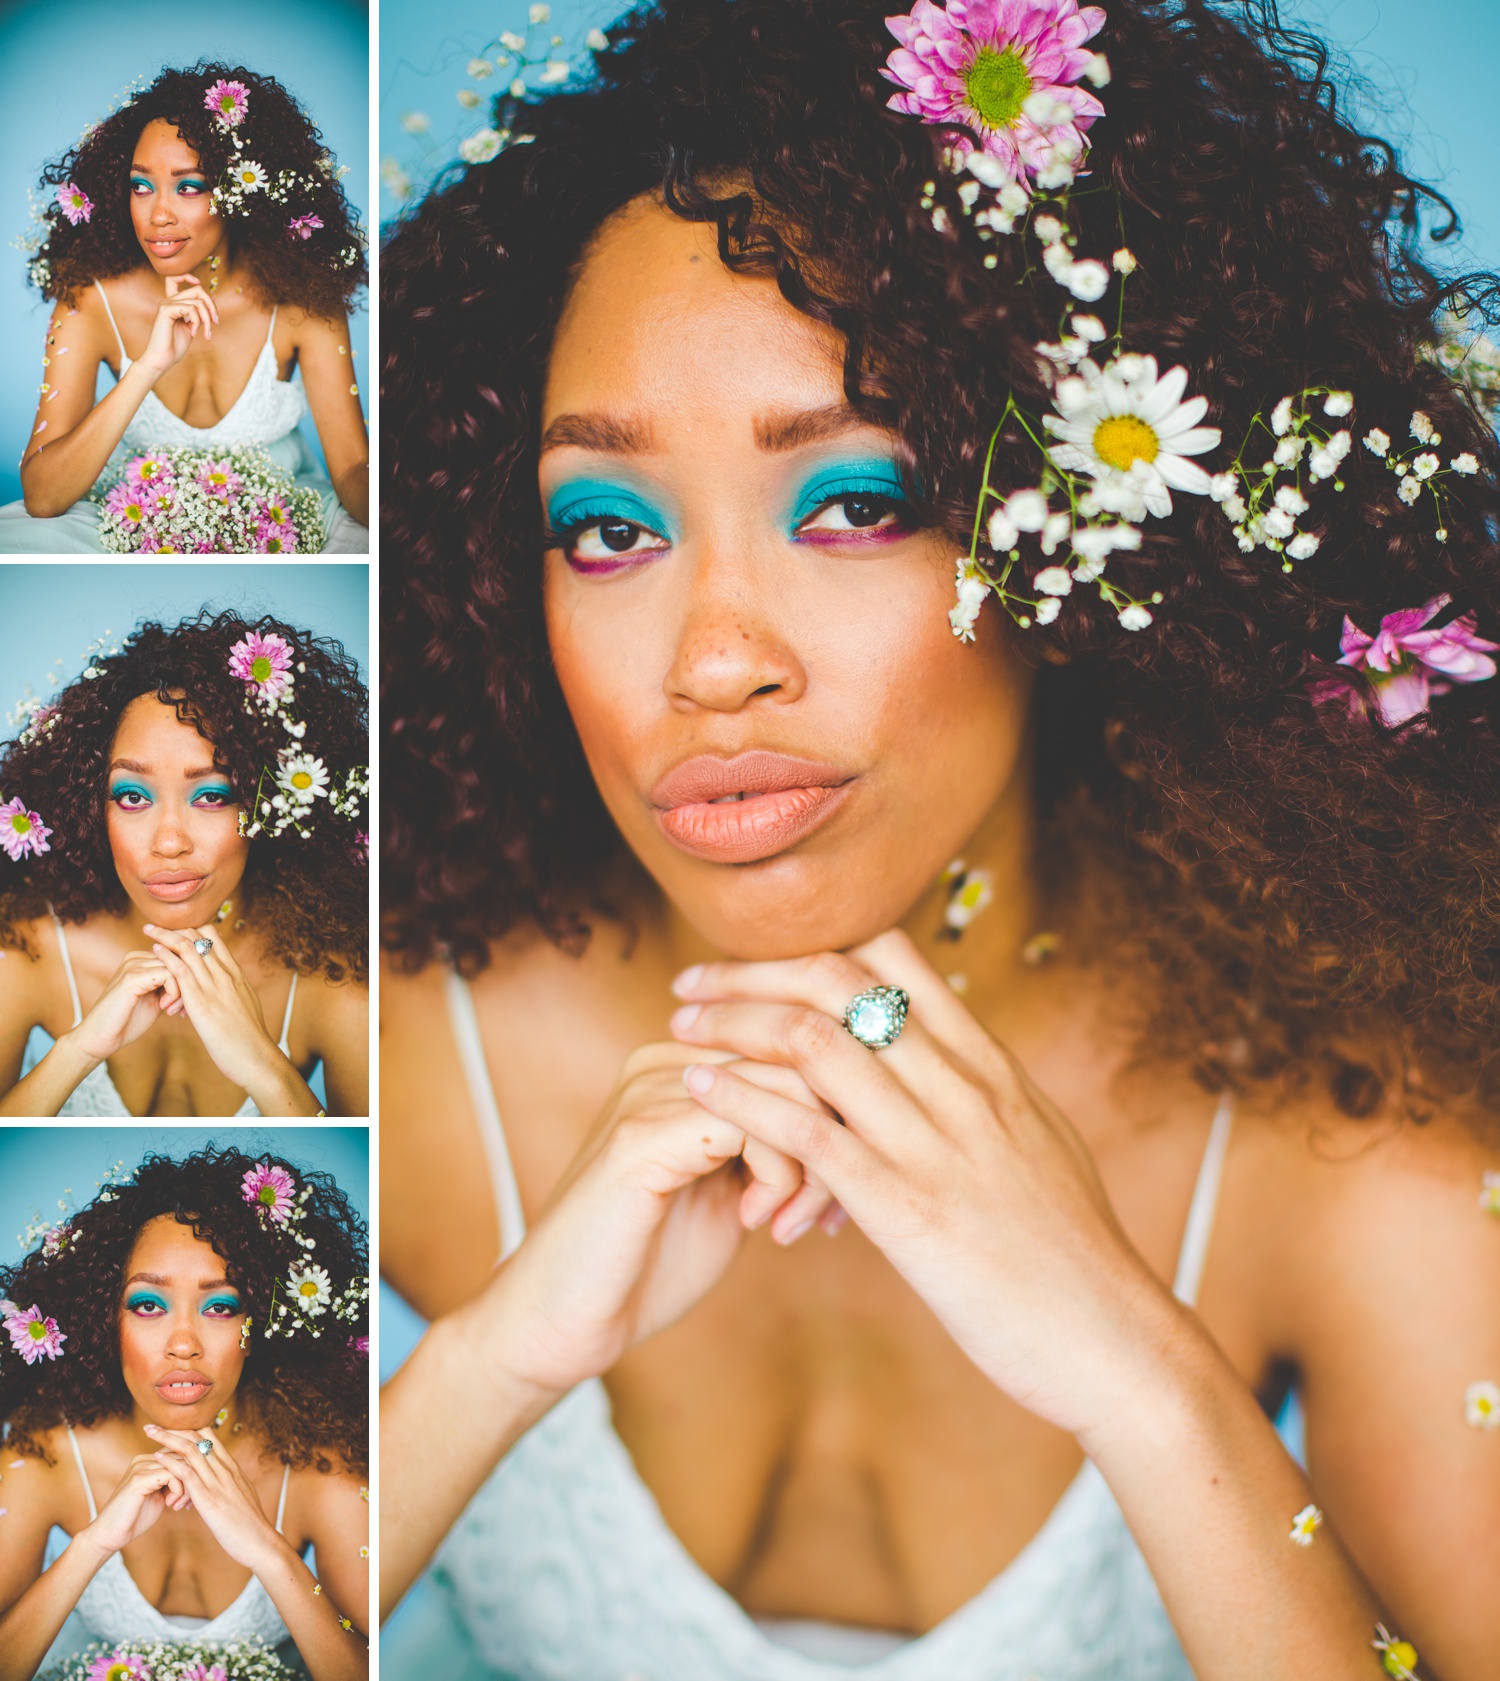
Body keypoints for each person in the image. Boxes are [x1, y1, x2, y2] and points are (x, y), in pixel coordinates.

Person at [378, 0, 1500, 1676]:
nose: (714, 657)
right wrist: (484, 1366)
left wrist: (1143, 1367)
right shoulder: (378, 1031)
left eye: (855, 504)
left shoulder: (1353, 1145)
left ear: (1086, 557)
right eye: (605, 527)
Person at [0, 1146, 369, 1681]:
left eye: (220, 1306)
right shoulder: (44, 1454)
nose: (183, 1345)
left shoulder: (319, 1463)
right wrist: (92, 1546)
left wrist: (269, 1551)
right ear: (104, 1318)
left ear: (261, 1324)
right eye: (148, 1304)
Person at [0, 610, 368, 1117]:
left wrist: (264, 1065)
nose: (170, 842)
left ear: (269, 809)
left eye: (213, 796)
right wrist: (78, 1049)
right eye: (131, 796)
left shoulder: (333, 978)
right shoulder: (27, 948)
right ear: (89, 808)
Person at [0, 63, 368, 553]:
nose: (158, 215)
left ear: (242, 195)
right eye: (141, 185)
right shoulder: (90, 302)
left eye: (189, 186)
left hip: (285, 516)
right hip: (133, 516)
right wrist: (147, 366)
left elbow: (350, 471)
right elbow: (42, 497)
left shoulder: (304, 301)